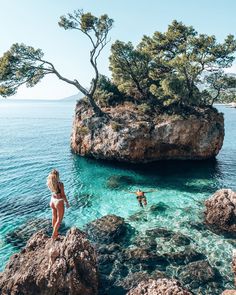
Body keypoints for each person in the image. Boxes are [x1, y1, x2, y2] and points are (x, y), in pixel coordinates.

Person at [47, 169, 70, 239]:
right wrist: (67, 203)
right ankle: (54, 235)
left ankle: (55, 232)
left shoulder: (49, 182)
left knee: (54, 217)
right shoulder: (60, 184)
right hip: (58, 201)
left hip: (52, 200)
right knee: (59, 220)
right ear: (57, 176)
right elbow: (63, 195)